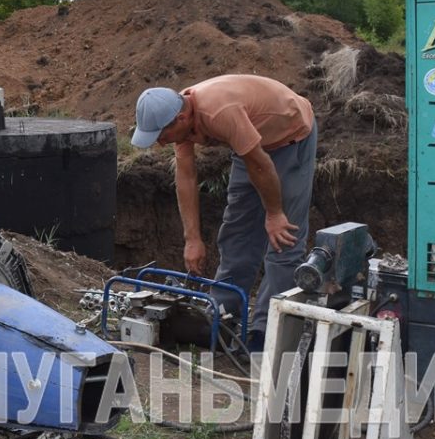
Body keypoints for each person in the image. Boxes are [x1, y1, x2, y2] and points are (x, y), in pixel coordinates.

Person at [131, 75, 316, 348]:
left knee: (283, 240)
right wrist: (192, 239)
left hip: (290, 138)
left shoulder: (219, 112)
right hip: (251, 146)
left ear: (181, 119)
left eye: (160, 135)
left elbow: (261, 164)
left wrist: (274, 213)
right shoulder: (178, 110)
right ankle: (222, 314)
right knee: (237, 232)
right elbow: (186, 178)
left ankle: (266, 332)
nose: (160, 143)